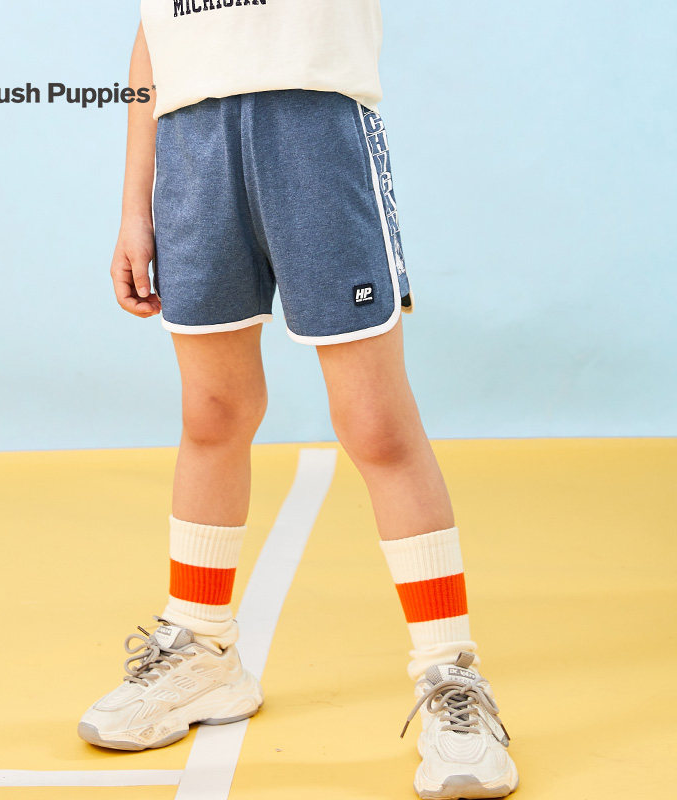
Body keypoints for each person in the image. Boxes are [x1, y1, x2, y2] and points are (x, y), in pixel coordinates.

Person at [78, 2, 519, 797]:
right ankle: (202, 650)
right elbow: (151, 40)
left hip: (313, 132)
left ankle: (450, 676)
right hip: (191, 149)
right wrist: (132, 205)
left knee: (376, 424)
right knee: (212, 413)